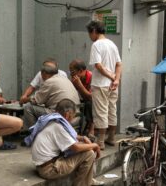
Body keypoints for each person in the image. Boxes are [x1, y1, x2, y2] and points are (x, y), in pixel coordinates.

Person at [24, 99, 103, 186]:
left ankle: (89, 180)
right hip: (49, 169)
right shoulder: (58, 126)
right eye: (73, 116)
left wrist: (83, 138)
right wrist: (95, 145)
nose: (73, 119)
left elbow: (68, 137)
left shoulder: (52, 121)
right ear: (67, 114)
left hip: (44, 166)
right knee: (89, 154)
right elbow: (75, 147)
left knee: (84, 148)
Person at [87, 21, 122, 150]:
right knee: (112, 110)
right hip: (113, 85)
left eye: (90, 33)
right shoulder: (112, 44)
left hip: (101, 84)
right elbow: (119, 64)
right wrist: (116, 79)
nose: (90, 36)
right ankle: (111, 138)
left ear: (94, 31)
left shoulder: (96, 45)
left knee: (101, 111)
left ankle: (100, 141)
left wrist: (111, 77)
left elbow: (98, 65)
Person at [22, 59, 80, 129]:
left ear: (43, 73)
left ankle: (34, 134)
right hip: (76, 117)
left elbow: (36, 100)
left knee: (28, 107)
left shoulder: (49, 81)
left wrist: (24, 99)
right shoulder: (64, 78)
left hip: (62, 118)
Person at [69, 59, 95, 141]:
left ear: (80, 71)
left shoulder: (91, 77)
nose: (71, 74)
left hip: (92, 101)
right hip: (80, 100)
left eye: (72, 72)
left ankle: (92, 128)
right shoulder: (74, 78)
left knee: (89, 103)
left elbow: (91, 97)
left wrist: (80, 85)